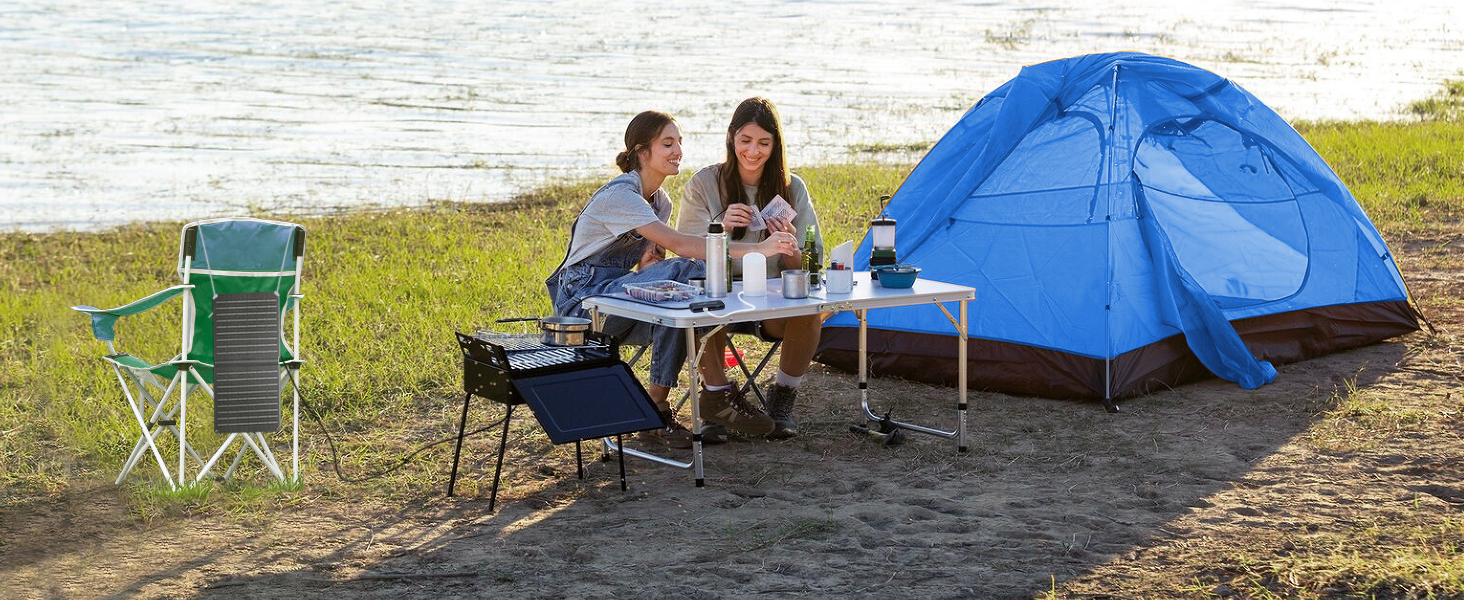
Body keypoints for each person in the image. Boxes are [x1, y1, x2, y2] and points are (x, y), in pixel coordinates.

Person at [545, 110, 798, 448]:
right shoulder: (620, 196)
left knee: (679, 309)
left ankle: (656, 408)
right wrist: (760, 250)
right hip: (581, 307)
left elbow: (640, 271)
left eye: (679, 142)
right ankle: (716, 395)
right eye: (667, 143)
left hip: (616, 301)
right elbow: (681, 247)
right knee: (687, 272)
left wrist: (647, 268)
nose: (678, 150)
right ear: (641, 151)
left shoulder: (659, 201)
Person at [676, 97, 823, 439]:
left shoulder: (792, 187)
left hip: (768, 300)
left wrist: (788, 246)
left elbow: (809, 266)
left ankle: (782, 399)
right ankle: (717, 401)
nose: (753, 152)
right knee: (701, 308)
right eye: (745, 141)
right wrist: (720, 228)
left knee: (809, 308)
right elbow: (687, 257)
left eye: (763, 143)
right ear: (731, 138)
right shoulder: (704, 183)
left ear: (775, 145)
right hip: (718, 294)